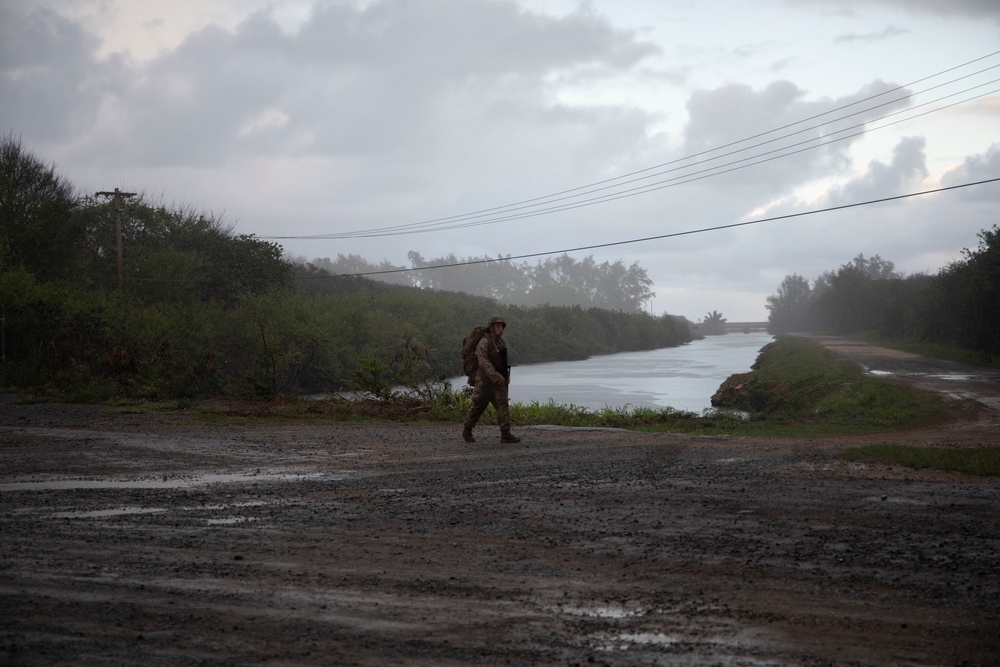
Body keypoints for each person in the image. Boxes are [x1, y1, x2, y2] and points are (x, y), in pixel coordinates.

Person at [462, 315, 521, 443]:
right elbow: (482, 360)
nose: (501, 328)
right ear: (492, 327)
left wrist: (506, 376)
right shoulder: (484, 341)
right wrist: (495, 375)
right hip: (484, 381)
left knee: (503, 405)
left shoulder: (500, 343)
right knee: (478, 406)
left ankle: (505, 433)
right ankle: (467, 430)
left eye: (502, 326)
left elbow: (502, 362)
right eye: (498, 326)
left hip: (498, 381)